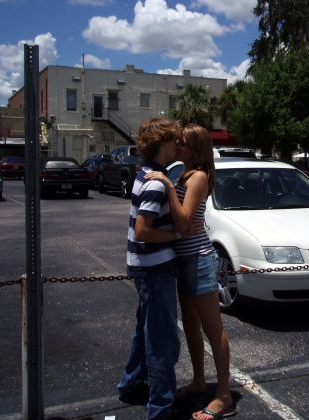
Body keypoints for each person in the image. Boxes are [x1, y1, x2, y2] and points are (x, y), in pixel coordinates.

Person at [145, 124, 235, 420]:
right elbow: (180, 223)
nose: (178, 147)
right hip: (183, 259)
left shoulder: (197, 177)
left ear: (195, 148)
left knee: (212, 328)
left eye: (183, 143)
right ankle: (199, 380)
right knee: (192, 328)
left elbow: (184, 223)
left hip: (199, 258)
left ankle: (223, 396)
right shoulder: (183, 172)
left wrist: (169, 187)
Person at [117, 117, 185, 420]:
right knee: (162, 340)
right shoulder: (157, 182)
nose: (179, 145)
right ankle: (161, 407)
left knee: (145, 330)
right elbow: (144, 230)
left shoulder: (143, 174)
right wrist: (175, 235)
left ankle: (130, 384)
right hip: (154, 268)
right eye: (175, 140)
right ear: (163, 144)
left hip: (143, 267)